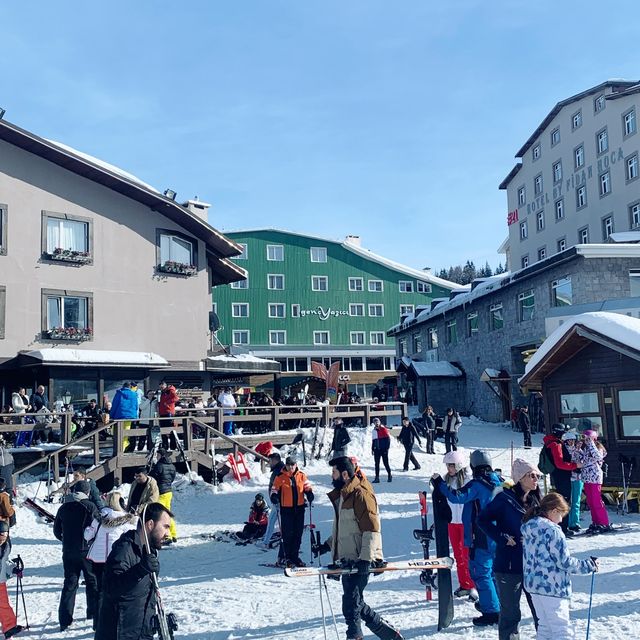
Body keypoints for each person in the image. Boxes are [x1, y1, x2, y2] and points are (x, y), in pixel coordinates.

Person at [313, 455, 403, 640]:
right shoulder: (345, 494)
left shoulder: (361, 494)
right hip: (349, 558)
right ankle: (385, 630)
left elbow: (371, 528)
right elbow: (345, 530)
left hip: (361, 558)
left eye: (334, 472)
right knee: (354, 602)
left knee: (351, 604)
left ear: (344, 474)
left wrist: (366, 558)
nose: (332, 477)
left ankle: (354, 636)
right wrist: (326, 546)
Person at [431, 450, 502, 627]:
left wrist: (440, 483)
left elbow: (457, 497)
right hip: (497, 534)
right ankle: (497, 604)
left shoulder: (478, 484)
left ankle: (491, 611)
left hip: (481, 535)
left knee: (481, 573)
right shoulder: (499, 482)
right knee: (493, 573)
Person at [478, 458, 542, 640]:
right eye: (531, 475)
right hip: (508, 566)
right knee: (510, 614)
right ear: (520, 478)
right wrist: (502, 537)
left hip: (533, 566)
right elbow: (482, 520)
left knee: (540, 611)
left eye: (537, 475)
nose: (535, 479)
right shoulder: (504, 499)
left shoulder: (537, 500)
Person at [522, 493, 598, 639]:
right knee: (561, 629)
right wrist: (588, 565)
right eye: (561, 515)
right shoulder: (552, 530)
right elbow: (564, 561)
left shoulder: (529, 527)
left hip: (534, 586)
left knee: (544, 627)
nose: (561, 520)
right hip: (552, 587)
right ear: (554, 511)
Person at [95, 502, 172, 640]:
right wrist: (140, 570)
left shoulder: (149, 551)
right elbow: (110, 588)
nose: (168, 534)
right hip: (119, 633)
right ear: (150, 524)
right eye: (165, 527)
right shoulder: (124, 549)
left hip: (141, 632)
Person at [53, 481, 100, 632]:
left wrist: (65, 540)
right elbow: (98, 526)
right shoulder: (90, 506)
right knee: (92, 582)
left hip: (68, 552)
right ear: (87, 492)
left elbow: (56, 530)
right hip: (86, 551)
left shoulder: (64, 507)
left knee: (70, 584)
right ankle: (92, 613)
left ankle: (64, 620)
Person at [84, 491, 138, 621]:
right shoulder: (127, 519)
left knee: (99, 588)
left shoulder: (99, 517)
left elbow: (87, 535)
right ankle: (112, 616)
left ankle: (97, 619)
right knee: (115, 587)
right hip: (115, 557)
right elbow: (134, 536)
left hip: (97, 557)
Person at [438, 451, 475, 600]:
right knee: (458, 555)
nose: (449, 469)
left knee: (468, 555)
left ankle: (474, 586)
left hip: (466, 523)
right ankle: (464, 584)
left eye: (451, 465)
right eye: (447, 465)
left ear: (459, 465)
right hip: (452, 522)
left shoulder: (468, 480)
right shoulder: (447, 480)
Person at [270, 456, 314, 567]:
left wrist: (309, 493)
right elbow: (274, 489)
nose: (290, 467)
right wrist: (274, 496)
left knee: (298, 534)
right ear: (285, 465)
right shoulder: (280, 477)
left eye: (292, 465)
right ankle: (284, 557)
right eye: (288, 465)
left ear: (295, 465)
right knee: (287, 534)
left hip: (299, 509)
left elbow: (307, 486)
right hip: (286, 510)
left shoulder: (302, 475)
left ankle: (294, 556)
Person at [541, 424, 578, 534]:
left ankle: (562, 527)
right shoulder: (555, 444)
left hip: (558, 476)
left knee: (562, 500)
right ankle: (563, 528)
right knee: (563, 502)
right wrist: (575, 466)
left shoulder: (550, 442)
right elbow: (560, 464)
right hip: (562, 476)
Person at [576, 430, 610, 533]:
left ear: (593, 439)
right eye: (584, 438)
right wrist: (577, 450)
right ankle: (596, 522)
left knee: (596, 501)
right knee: (590, 502)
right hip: (587, 478)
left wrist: (591, 444)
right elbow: (581, 460)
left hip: (595, 478)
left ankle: (604, 522)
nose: (585, 440)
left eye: (587, 438)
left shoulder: (598, 447)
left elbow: (598, 456)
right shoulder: (586, 448)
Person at [259, 453, 285, 551]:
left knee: (272, 521)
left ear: (275, 460)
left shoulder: (279, 470)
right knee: (276, 521)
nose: (269, 463)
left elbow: (278, 486)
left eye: (270, 461)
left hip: (278, 502)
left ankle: (266, 542)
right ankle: (283, 540)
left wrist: (276, 498)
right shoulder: (278, 469)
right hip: (278, 501)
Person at [150, 449, 178, 544]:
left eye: (157, 455)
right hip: (169, 491)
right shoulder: (172, 466)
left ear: (161, 455)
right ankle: (173, 534)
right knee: (168, 513)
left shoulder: (159, 466)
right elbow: (173, 477)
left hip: (161, 492)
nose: (156, 457)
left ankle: (167, 536)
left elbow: (152, 477)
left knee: (162, 516)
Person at [0, 521, 22, 638]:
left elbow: (5, 561)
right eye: (0, 535)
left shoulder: (5, 547)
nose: (2, 538)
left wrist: (13, 569)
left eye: (4, 535)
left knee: (3, 605)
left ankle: (9, 627)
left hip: (0, 581)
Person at [561, 432, 584, 532]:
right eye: (569, 440)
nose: (571, 442)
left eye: (573, 440)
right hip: (567, 478)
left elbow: (583, 460)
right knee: (567, 501)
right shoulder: (563, 450)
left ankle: (574, 523)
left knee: (576, 501)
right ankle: (566, 522)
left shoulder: (578, 450)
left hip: (578, 478)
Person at [110, 383, 140, 453]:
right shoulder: (134, 394)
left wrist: (111, 416)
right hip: (130, 417)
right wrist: (135, 416)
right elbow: (136, 407)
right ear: (130, 387)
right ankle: (123, 447)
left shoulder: (119, 393)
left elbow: (114, 405)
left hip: (119, 416)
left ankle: (119, 449)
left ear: (123, 387)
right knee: (125, 433)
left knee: (117, 433)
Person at [158, 380, 179, 449]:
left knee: (171, 430)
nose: (161, 388)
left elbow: (176, 398)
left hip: (168, 412)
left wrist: (167, 402)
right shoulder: (162, 392)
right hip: (162, 412)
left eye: (162, 386)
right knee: (163, 430)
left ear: (165, 385)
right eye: (160, 387)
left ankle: (173, 446)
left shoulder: (170, 391)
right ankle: (165, 446)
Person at [371, 418, 392, 483]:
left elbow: (388, 439)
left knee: (385, 463)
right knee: (376, 464)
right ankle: (377, 478)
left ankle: (389, 475)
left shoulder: (383, 429)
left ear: (379, 423)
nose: (376, 423)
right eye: (375, 422)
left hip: (383, 449)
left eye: (377, 422)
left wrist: (387, 448)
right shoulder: (374, 431)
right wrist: (372, 449)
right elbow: (373, 441)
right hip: (376, 449)